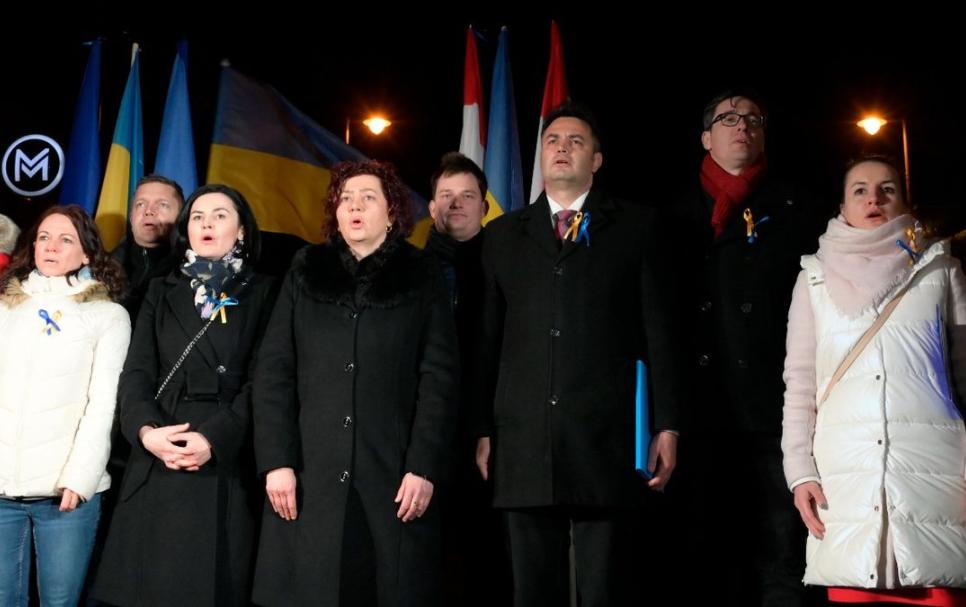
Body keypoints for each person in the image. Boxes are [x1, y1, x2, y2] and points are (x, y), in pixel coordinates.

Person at [472, 102, 682, 607]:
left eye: (576, 141)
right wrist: (482, 428)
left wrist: (668, 425)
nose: (562, 148)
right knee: (531, 591)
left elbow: (661, 332)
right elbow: (487, 341)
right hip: (523, 440)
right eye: (552, 140)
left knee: (604, 588)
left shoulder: (637, 226)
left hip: (606, 440)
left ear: (597, 159)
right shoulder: (502, 234)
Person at [251, 160, 458, 606]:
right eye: (345, 199)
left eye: (368, 198)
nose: (355, 207)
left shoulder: (421, 274)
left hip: (393, 477)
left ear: (392, 213)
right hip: (310, 476)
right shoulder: (306, 268)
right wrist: (277, 461)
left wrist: (423, 466)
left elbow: (439, 379)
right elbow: (273, 372)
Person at [782, 156, 966, 605]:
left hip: (934, 471)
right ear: (842, 206)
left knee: (937, 587)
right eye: (860, 190)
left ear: (904, 202)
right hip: (845, 472)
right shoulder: (814, 278)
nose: (874, 199)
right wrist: (799, 471)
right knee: (855, 586)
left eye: (887, 189)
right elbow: (800, 383)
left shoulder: (940, 269)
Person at [667, 90, 823, 605]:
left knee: (781, 551)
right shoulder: (671, 213)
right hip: (699, 408)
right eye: (729, 118)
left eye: (753, 119)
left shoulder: (797, 208)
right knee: (704, 551)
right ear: (705, 137)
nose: (742, 126)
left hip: (772, 408)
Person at [92, 184, 276, 606]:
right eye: (197, 216)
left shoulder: (266, 291)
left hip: (224, 454)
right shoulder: (161, 289)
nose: (206, 223)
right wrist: (146, 431)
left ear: (242, 230)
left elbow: (266, 381)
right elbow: (137, 372)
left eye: (219, 215)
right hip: (160, 448)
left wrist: (215, 438)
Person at [0, 205, 130, 607]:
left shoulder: (107, 316)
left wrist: (81, 477)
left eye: (65, 239)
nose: (51, 246)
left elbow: (103, 404)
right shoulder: (4, 307)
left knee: (59, 601)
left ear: (87, 253)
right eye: (44, 237)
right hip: (2, 491)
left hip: (65, 494)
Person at [424, 152, 512, 606]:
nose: (455, 204)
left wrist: (489, 425)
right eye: (446, 195)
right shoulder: (410, 271)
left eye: (467, 196)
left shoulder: (510, 267)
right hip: (426, 433)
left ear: (485, 206)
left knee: (488, 554)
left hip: (491, 431)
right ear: (431, 207)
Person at [112, 174, 184, 322]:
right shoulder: (99, 272)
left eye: (162, 205)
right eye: (140, 204)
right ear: (131, 217)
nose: (149, 211)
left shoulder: (191, 277)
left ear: (181, 218)